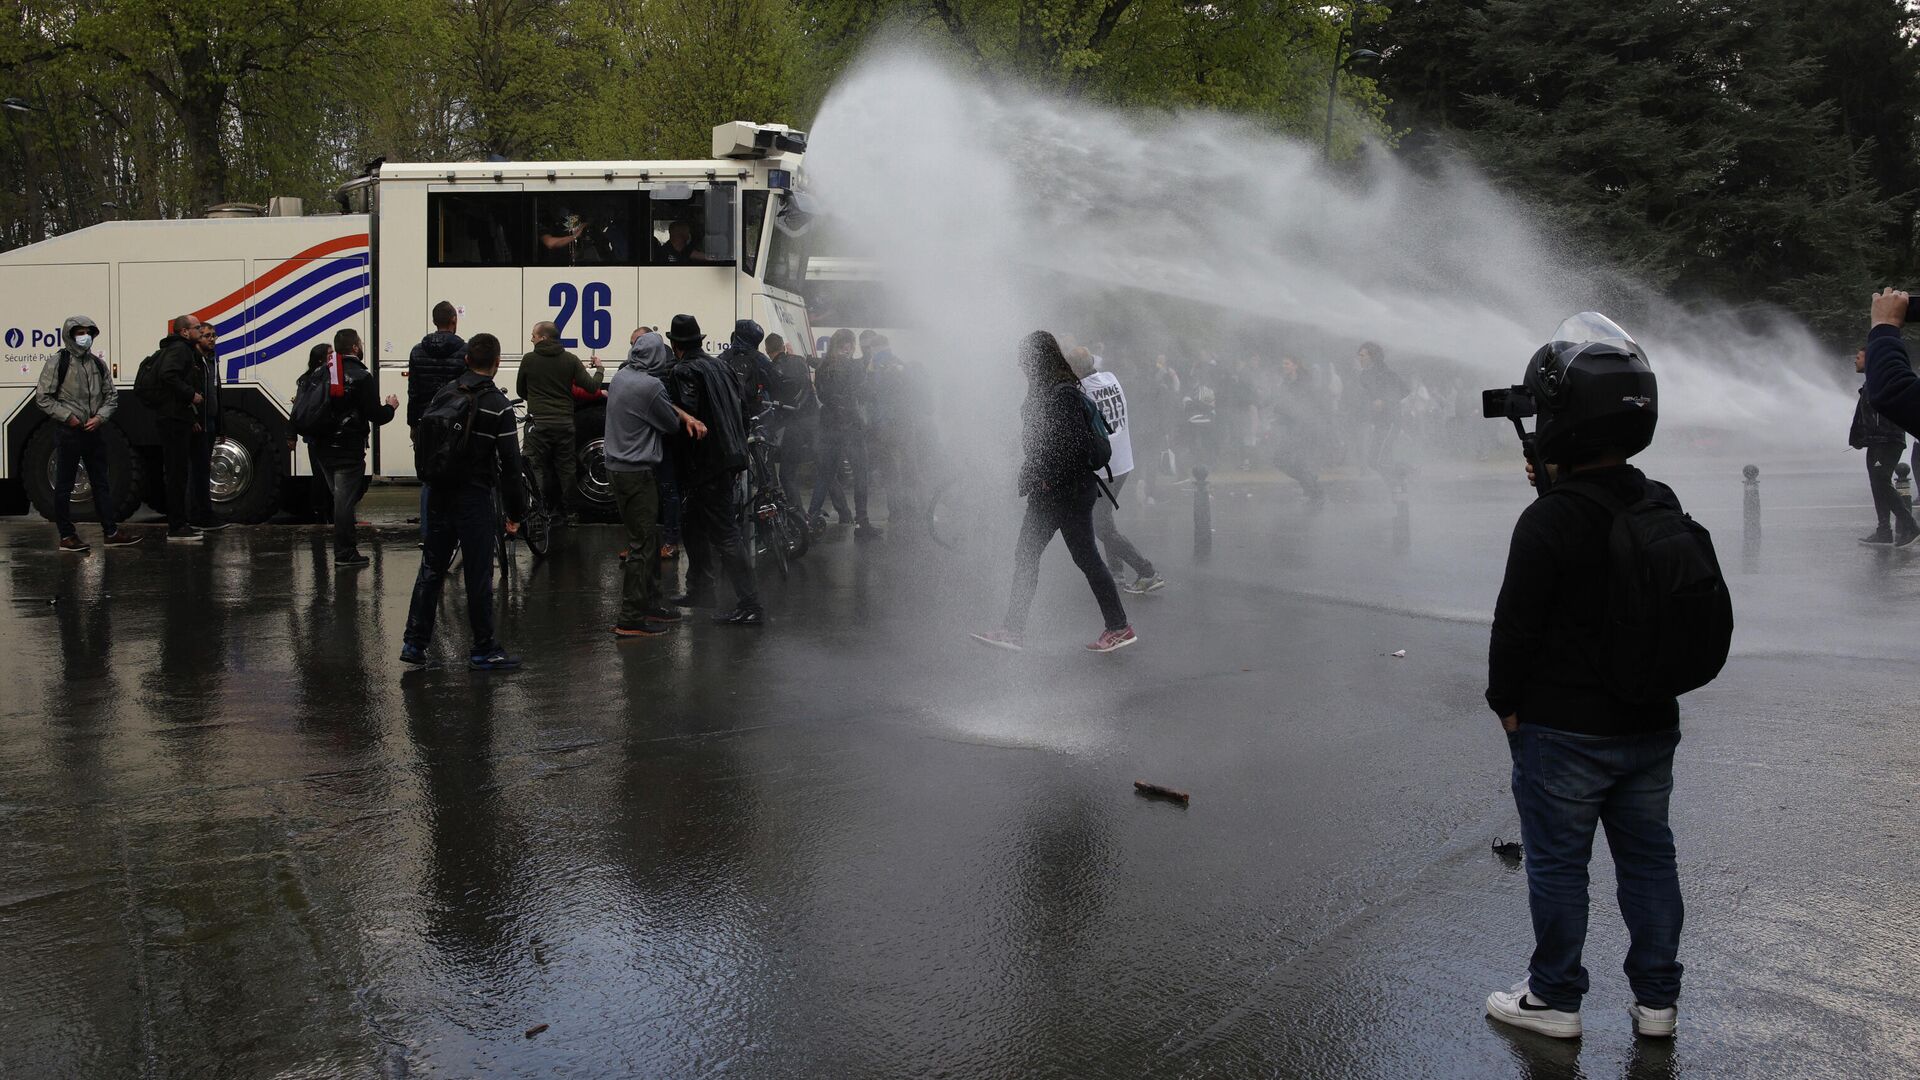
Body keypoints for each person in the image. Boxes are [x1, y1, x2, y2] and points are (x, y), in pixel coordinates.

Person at [1485, 313, 1691, 1042]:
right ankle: (1658, 1004)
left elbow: (1515, 632)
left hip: (1563, 733)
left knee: (1559, 868)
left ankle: (1556, 999)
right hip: (1649, 722)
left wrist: (1507, 709)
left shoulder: (1548, 521)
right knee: (1648, 861)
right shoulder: (1657, 500)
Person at [972, 332, 1137, 654]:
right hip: (1066, 490)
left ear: (1038, 360)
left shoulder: (1059, 394)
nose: (1020, 365)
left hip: (1060, 492)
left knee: (1032, 556)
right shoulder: (1057, 389)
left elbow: (1070, 445)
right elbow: (1043, 439)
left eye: (1024, 359)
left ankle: (1014, 630)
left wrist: (1046, 478)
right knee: (1079, 558)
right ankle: (1117, 627)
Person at [401, 333, 528, 671]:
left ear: (467, 360)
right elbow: (512, 467)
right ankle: (483, 647)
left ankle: (415, 643)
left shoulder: (445, 392)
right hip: (474, 497)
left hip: (439, 491)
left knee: (432, 567)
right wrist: (516, 513)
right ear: (497, 363)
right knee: (477, 572)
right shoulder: (497, 406)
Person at [663, 315, 764, 625]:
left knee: (724, 533)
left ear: (675, 344)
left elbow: (688, 417)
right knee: (692, 524)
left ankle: (750, 604)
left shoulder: (683, 371)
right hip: (729, 455)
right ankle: (700, 588)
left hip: (706, 462)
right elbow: (744, 409)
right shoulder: (722, 365)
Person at [607, 331, 708, 637]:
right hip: (637, 472)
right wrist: (688, 417)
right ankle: (631, 618)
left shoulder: (622, 376)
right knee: (641, 546)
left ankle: (650, 603)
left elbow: (658, 406)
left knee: (646, 540)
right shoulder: (650, 386)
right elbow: (668, 422)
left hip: (618, 468)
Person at [35, 314, 138, 551]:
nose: (85, 337)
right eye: (80, 333)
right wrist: (68, 417)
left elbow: (111, 396)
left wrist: (100, 417)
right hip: (69, 432)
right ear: (70, 336)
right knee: (64, 485)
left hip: (94, 431)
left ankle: (110, 532)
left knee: (101, 483)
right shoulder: (57, 362)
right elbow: (43, 398)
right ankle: (66, 536)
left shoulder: (97, 364)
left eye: (88, 332)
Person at [1069, 346, 1164, 594]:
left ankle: (1147, 572)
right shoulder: (1111, 378)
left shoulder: (1082, 392)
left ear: (1075, 370)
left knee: (1102, 526)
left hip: (1104, 469)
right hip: (1123, 463)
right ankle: (1116, 572)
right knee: (1105, 520)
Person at [304, 329, 397, 566]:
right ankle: (345, 553)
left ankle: (344, 547)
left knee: (340, 497)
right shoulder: (361, 376)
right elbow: (374, 414)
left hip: (322, 447)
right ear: (355, 348)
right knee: (344, 501)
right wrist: (390, 407)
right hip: (347, 447)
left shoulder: (321, 372)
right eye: (360, 343)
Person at [516, 320, 602, 522]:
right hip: (564, 424)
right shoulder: (570, 360)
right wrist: (599, 369)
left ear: (543, 337)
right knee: (567, 469)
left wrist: (537, 397)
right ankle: (572, 513)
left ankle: (540, 511)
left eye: (534, 335)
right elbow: (591, 387)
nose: (531, 338)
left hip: (539, 424)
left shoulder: (529, 359)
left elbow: (521, 391)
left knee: (535, 466)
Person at [810, 328, 879, 538]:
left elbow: (821, 394)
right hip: (849, 427)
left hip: (828, 426)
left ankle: (810, 518)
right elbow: (862, 389)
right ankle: (862, 522)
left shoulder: (822, 366)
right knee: (860, 474)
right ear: (847, 345)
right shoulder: (851, 365)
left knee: (825, 475)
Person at [154, 315, 215, 541]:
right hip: (173, 420)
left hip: (179, 417)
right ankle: (177, 526)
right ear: (184, 332)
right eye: (197, 328)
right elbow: (168, 375)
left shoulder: (184, 350)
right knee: (177, 473)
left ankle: (181, 523)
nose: (201, 331)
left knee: (180, 472)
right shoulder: (179, 350)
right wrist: (191, 395)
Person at [409, 301, 467, 537]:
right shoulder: (464, 351)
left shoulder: (417, 351)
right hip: (456, 421)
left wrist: (413, 424)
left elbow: (413, 392)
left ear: (434, 322)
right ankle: (457, 532)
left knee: (429, 479)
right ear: (454, 320)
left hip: (426, 421)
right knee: (459, 477)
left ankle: (428, 534)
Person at [1850, 347, 1917, 546]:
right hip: (1877, 441)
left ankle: (1910, 526)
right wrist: (1860, 438)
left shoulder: (1880, 383)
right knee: (1877, 484)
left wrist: (1869, 435)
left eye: (1858, 357)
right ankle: (1884, 531)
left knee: (1881, 482)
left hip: (1886, 440)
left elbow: (1883, 415)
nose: (1855, 361)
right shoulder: (1871, 383)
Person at [630, 326, 683, 558]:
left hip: (664, 442)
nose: (633, 348)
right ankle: (642, 542)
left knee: (668, 490)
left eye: (635, 343)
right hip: (646, 441)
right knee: (645, 493)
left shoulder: (667, 371)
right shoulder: (640, 370)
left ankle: (671, 540)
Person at [1271, 356, 1328, 505]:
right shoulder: (1286, 382)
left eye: (1287, 363)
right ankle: (1311, 485)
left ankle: (1315, 491)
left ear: (1295, 366)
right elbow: (1282, 403)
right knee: (1280, 460)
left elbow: (1306, 406)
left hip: (1303, 428)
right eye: (1283, 363)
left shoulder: (1303, 383)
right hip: (1291, 427)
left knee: (1295, 461)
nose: (1284, 366)